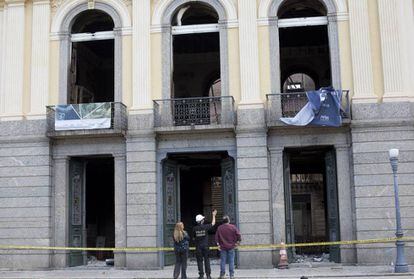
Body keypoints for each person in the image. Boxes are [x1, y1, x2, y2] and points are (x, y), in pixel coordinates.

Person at [193, 209, 217, 279]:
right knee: (207, 261)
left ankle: (201, 275)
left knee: (199, 262)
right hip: (205, 247)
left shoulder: (194, 228)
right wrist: (213, 215)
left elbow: (194, 238)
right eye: (203, 219)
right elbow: (213, 223)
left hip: (198, 248)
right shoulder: (205, 227)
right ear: (201, 221)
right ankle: (208, 275)